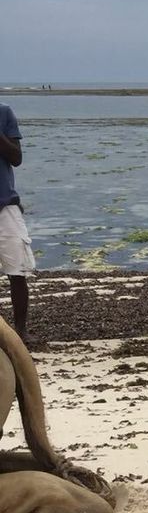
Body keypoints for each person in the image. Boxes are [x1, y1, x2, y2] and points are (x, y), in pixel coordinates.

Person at [0, 103, 35, 342]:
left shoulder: (4, 113)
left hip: (6, 204)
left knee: (18, 271)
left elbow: (16, 157)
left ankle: (20, 332)